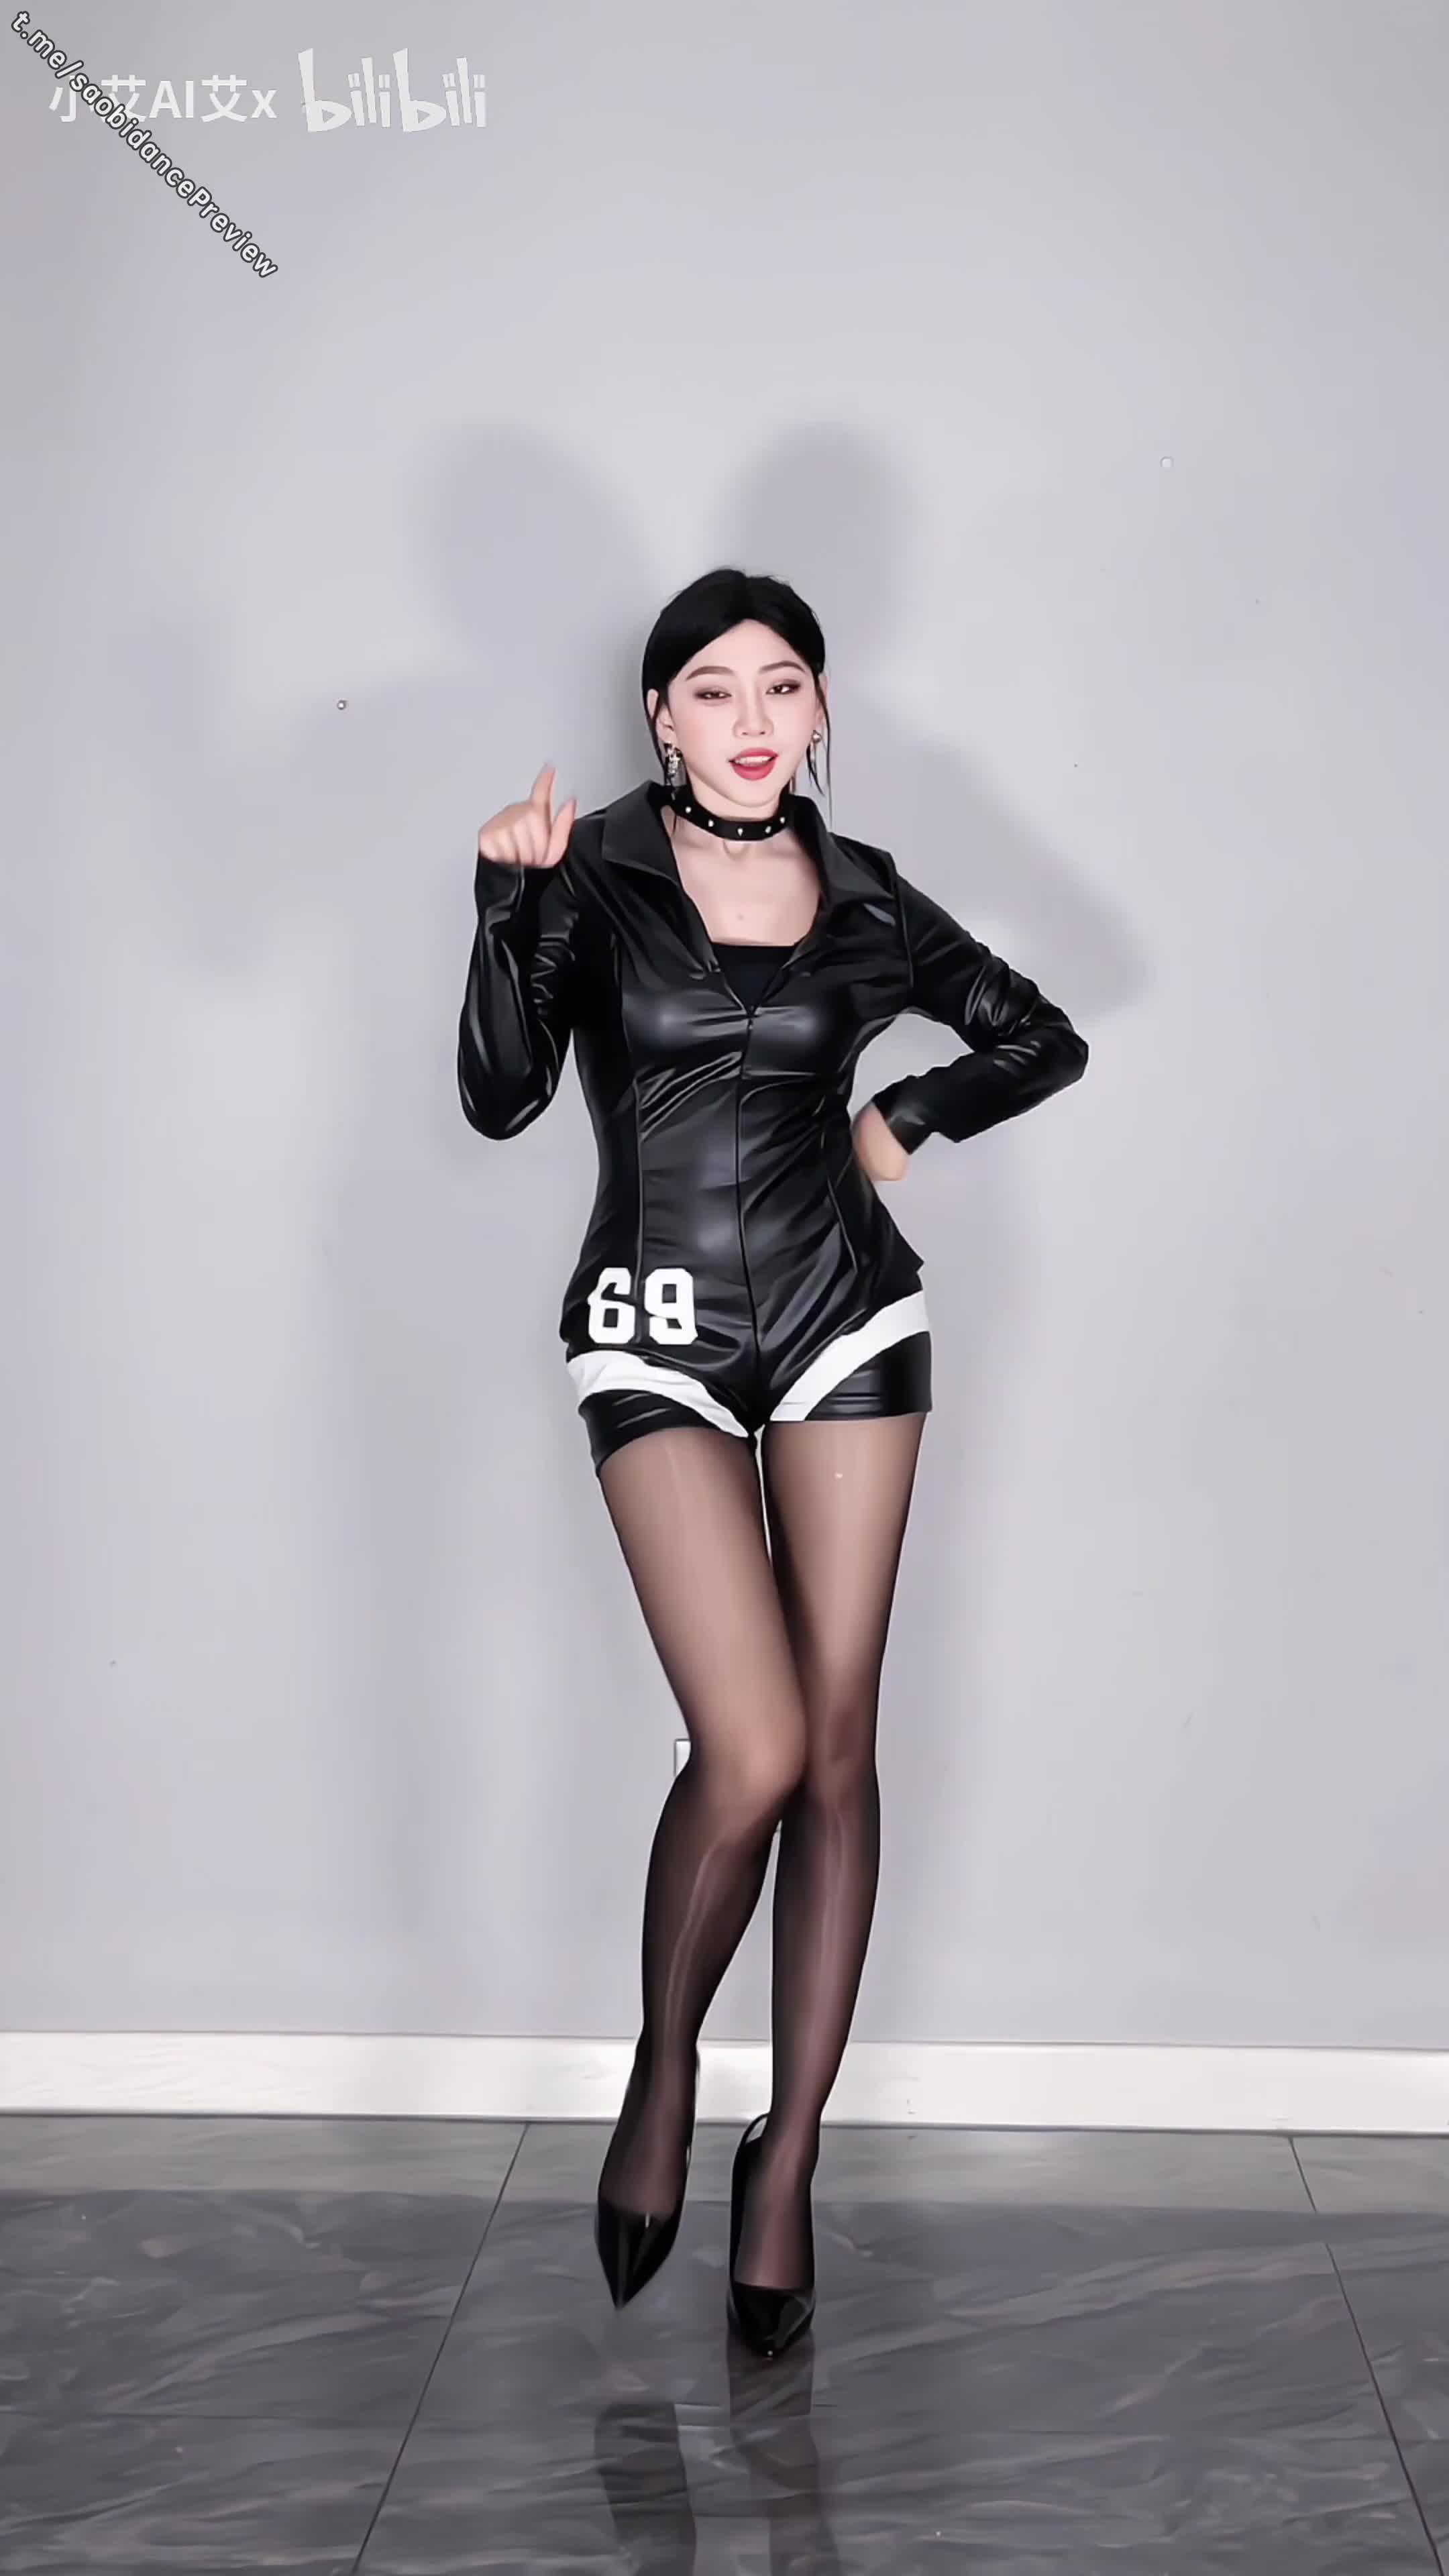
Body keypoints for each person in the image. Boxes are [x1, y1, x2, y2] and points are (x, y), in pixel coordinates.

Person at [458, 566, 1088, 2358]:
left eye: (784, 686)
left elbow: (1042, 1035)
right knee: (748, 1748)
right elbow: (500, 1095)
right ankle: (666, 2065)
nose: (752, 720)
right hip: (650, 1325)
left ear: (819, 708)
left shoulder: (869, 896)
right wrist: (504, 909)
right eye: (715, 690)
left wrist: (905, 1116)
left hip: (848, 1326)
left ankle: (788, 2156)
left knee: (837, 1747)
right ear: (661, 716)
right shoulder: (590, 872)